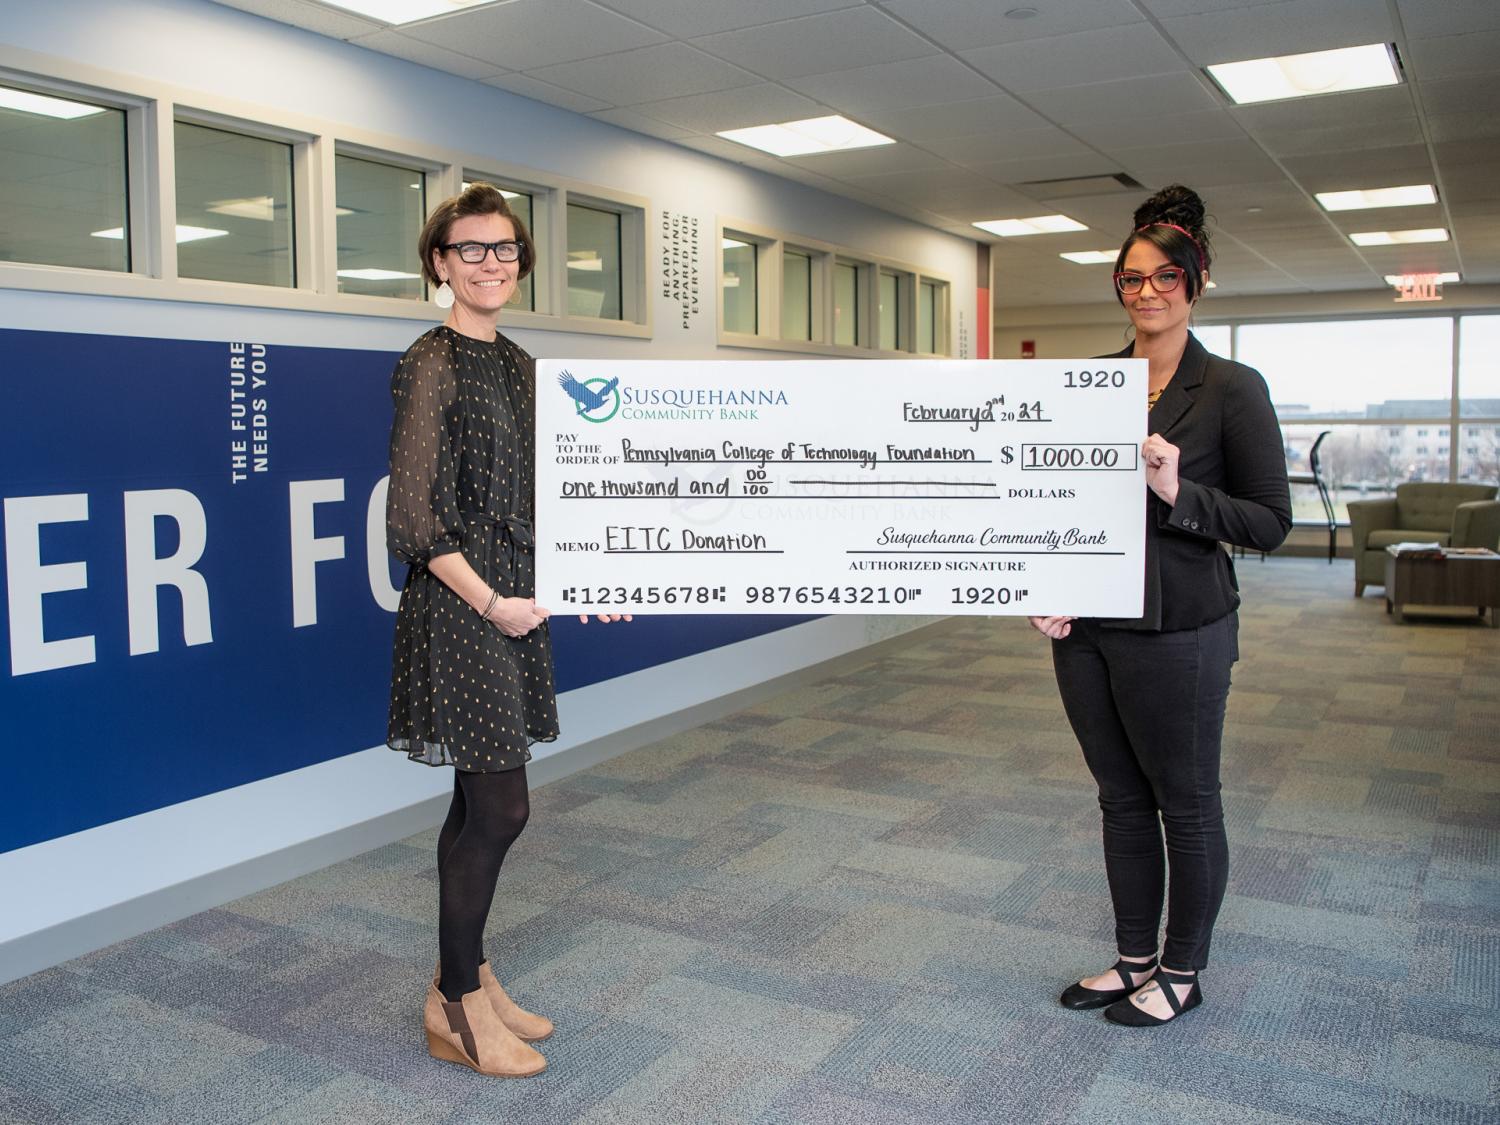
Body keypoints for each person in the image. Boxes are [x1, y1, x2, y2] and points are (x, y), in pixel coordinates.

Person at [1029, 185, 1291, 1026]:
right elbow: (1061, 505)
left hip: (1181, 627)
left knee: (1186, 797)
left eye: (1164, 277)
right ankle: (1134, 955)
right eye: (1130, 279)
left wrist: (1180, 491)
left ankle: (1182, 968)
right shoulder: (1094, 385)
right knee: (1119, 797)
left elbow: (1270, 520)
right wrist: (1045, 580)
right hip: (1091, 631)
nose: (1146, 292)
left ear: (1196, 281)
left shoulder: (1231, 389)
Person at [386, 182, 626, 1076]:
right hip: (464, 606)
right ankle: (454, 1002)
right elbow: (412, 518)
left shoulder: (524, 364)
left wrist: (589, 571)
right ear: (439, 263)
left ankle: (472, 975)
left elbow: (556, 495)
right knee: (501, 804)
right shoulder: (429, 361)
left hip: (520, 596)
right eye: (470, 249)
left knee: (471, 801)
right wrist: (492, 600)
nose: (490, 263)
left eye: (505, 250)